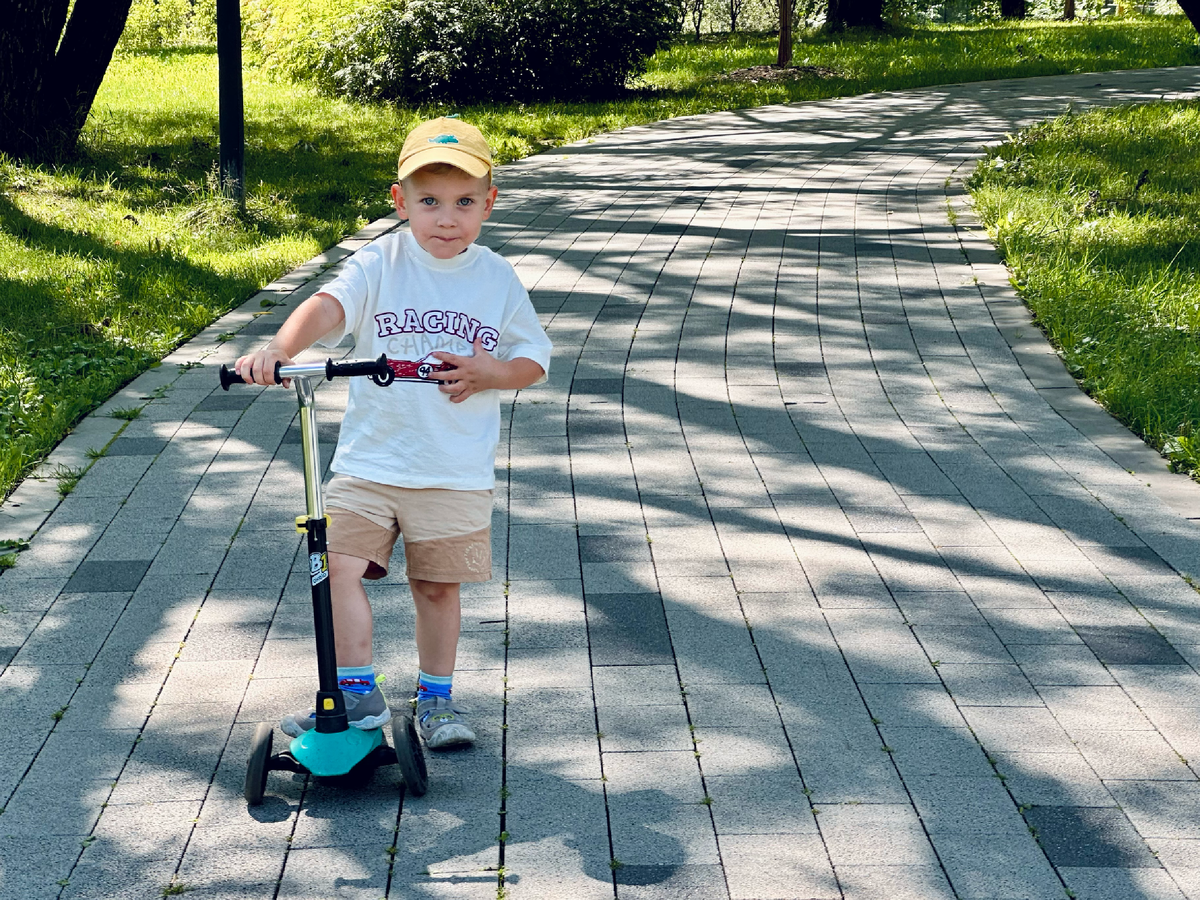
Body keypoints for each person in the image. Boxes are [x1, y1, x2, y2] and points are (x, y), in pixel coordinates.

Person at [235, 117, 552, 749]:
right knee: (337, 568)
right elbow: (328, 307)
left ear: (489, 202)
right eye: (429, 202)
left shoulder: (496, 278)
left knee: (436, 587)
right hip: (369, 465)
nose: (446, 217)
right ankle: (357, 694)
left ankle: (436, 700)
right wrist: (279, 346)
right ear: (399, 200)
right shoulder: (380, 261)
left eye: (465, 202)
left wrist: (493, 372)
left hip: (453, 471)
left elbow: (533, 360)